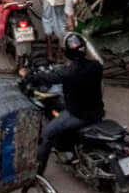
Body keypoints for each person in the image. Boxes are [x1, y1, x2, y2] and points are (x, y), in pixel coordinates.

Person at [24, 31, 105, 173]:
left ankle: (37, 173)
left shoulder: (68, 72)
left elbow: (51, 77)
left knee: (47, 134)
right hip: (97, 112)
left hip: (78, 115)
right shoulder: (96, 66)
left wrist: (32, 76)